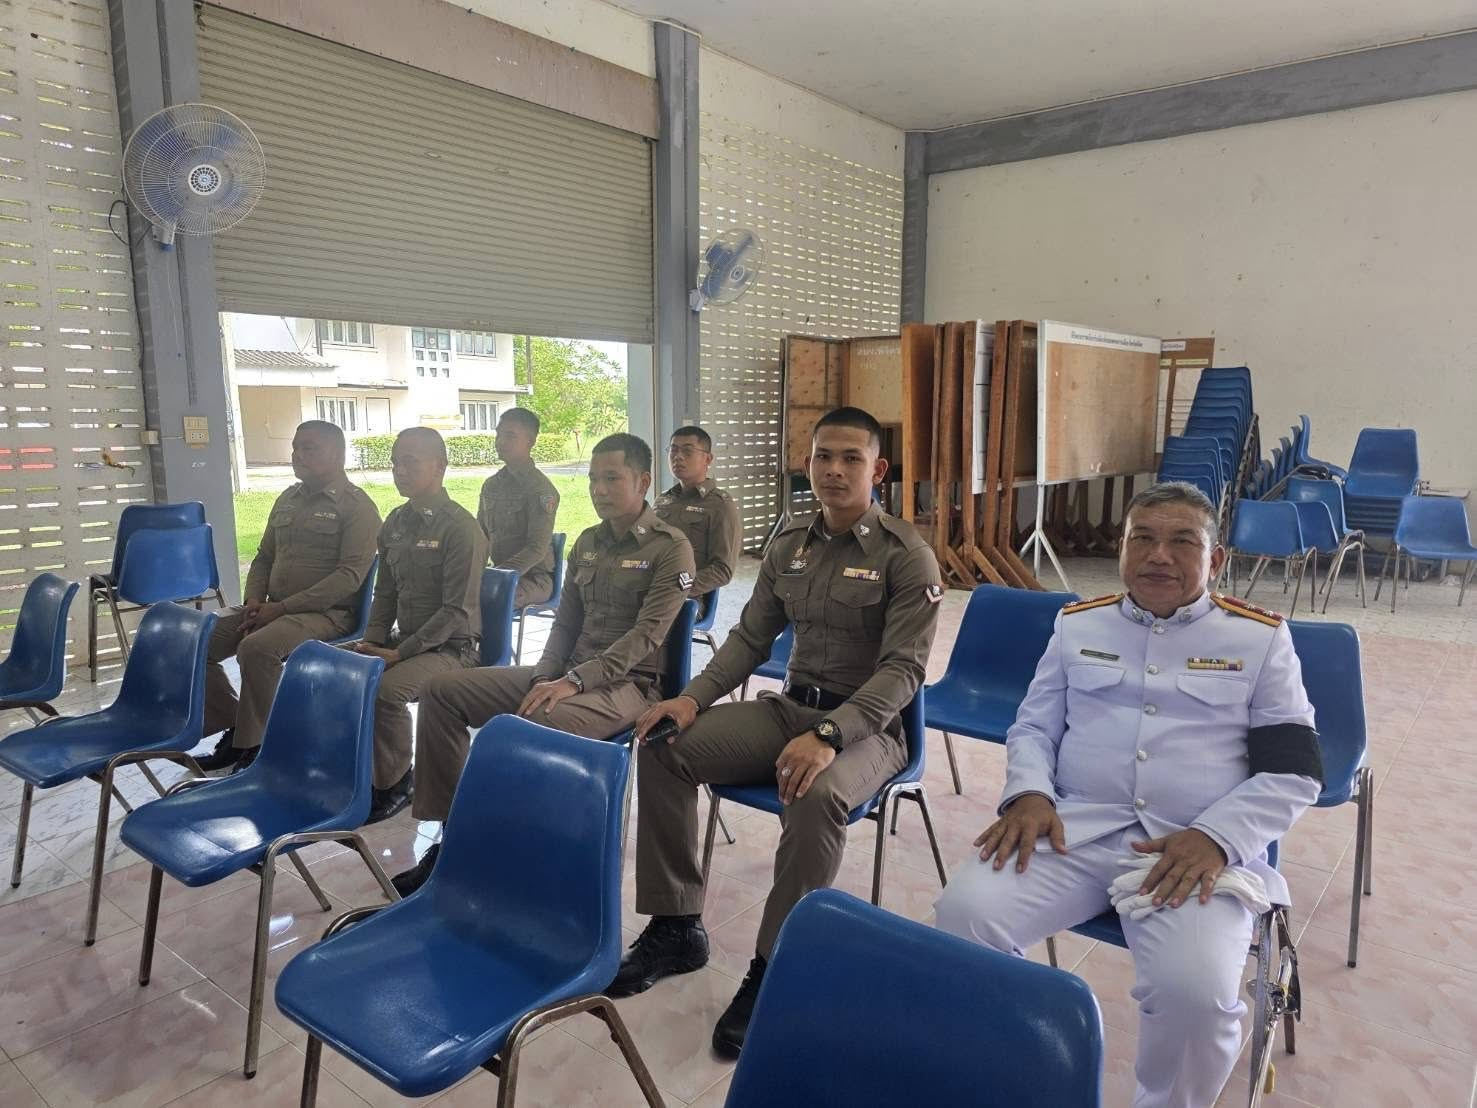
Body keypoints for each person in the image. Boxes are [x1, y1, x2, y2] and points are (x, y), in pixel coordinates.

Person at [934, 481, 1323, 1108]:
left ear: (1215, 559)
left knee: (1195, 995)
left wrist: (1217, 838)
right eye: (1142, 538)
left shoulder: (1259, 640)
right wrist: (1028, 793)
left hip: (1188, 851)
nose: (1158, 555)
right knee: (963, 918)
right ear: (1121, 549)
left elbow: (1294, 770)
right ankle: (1008, 1076)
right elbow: (1033, 727)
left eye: (1181, 541)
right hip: (1073, 829)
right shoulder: (1078, 624)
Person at [615, 406, 942, 1058]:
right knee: (664, 746)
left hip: (869, 730)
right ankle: (676, 925)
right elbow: (748, 639)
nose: (834, 470)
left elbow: (903, 673)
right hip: (788, 710)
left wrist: (830, 735)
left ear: (877, 470)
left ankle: (775, 968)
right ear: (807, 464)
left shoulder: (906, 556)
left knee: (814, 792)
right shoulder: (790, 540)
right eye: (823, 456)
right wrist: (690, 698)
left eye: (850, 458)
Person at [390, 433, 695, 894]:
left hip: (632, 686)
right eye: (593, 479)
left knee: (531, 724)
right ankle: (454, 838)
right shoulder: (588, 542)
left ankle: (511, 851)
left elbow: (646, 637)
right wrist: (543, 675)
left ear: (644, 481)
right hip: (568, 674)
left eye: (612, 478)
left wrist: (574, 681)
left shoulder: (670, 547)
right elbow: (564, 624)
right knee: (442, 692)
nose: (599, 490)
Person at [198, 421, 379, 772]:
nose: (298, 455)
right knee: (199, 639)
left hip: (328, 614)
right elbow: (264, 557)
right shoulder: (287, 499)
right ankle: (238, 726)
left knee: (257, 648)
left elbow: (349, 578)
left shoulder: (357, 507)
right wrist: (254, 601)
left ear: (338, 455)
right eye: (296, 448)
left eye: (310, 448)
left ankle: (263, 745)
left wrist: (281, 608)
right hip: (272, 608)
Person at [353, 427, 487, 823]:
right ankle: (360, 768)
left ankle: (397, 782)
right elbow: (385, 593)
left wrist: (398, 654)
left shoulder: (460, 528)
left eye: (410, 462)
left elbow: (456, 610)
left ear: (440, 466)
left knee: (387, 692)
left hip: (453, 648)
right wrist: (371, 643)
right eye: (395, 462)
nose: (399, 470)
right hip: (404, 640)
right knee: (339, 669)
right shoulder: (395, 523)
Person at [476, 407, 560, 610]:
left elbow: (536, 549)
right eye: (498, 434)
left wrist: (498, 576)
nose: (500, 441)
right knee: (453, 591)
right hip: (498, 572)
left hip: (534, 579)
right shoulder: (491, 485)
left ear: (530, 442)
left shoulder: (540, 489)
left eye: (510, 436)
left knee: (492, 598)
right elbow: (480, 537)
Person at [653, 425, 740, 604]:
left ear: (707, 459)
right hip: (651, 589)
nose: (678, 457)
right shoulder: (663, 500)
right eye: (673, 450)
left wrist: (674, 588)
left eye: (687, 451)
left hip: (687, 599)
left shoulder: (720, 505)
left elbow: (722, 570)